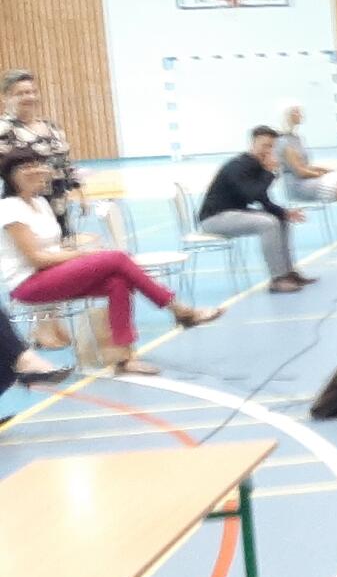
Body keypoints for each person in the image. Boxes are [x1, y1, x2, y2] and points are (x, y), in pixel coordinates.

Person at [1, 152, 222, 375]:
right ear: (11, 176)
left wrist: (79, 253)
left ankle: (123, 358)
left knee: (118, 281)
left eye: (37, 165)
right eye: (26, 167)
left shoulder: (40, 203)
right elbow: (37, 258)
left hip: (52, 274)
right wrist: (81, 255)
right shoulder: (10, 208)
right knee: (117, 258)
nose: (36, 171)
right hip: (29, 283)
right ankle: (180, 310)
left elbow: (53, 249)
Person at [199, 126, 312, 294]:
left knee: (280, 219)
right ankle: (277, 279)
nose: (268, 150)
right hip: (214, 218)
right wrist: (270, 172)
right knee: (268, 223)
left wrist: (284, 212)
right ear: (253, 144)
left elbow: (263, 199)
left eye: (271, 147)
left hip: (234, 213)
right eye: (264, 146)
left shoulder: (258, 166)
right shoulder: (238, 166)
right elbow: (252, 194)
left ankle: (288, 273)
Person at [0, 71, 83, 237]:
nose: (29, 97)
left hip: (58, 207)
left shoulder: (51, 127)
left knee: (62, 246)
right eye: (21, 93)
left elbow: (65, 162)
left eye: (32, 92)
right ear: (6, 98)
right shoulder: (4, 129)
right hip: (24, 211)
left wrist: (79, 190)